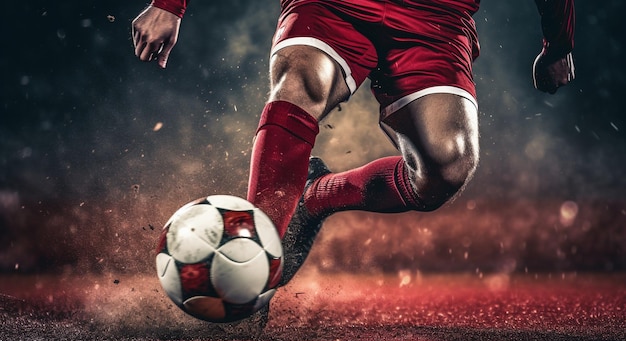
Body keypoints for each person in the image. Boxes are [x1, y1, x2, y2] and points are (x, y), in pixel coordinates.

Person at [132, 0, 575, 286]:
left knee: (448, 166)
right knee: (301, 83)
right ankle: (254, 265)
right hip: (333, 4)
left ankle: (316, 195)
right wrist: (169, 4)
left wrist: (558, 44)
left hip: (436, 18)